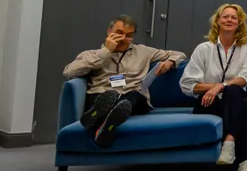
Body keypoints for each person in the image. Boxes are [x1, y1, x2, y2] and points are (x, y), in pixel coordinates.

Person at [64, 15, 186, 148]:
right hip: (101, 94)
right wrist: (106, 52)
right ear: (109, 32)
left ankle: (99, 117)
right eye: (119, 33)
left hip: (134, 99)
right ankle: (105, 125)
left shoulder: (143, 51)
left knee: (133, 96)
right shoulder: (92, 54)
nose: (123, 38)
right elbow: (70, 72)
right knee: (107, 96)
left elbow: (180, 54)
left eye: (128, 35)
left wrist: (170, 62)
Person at [180, 3, 247, 171]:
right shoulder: (204, 49)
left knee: (234, 92)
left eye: (234, 17)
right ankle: (245, 162)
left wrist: (222, 85)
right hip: (210, 102)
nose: (229, 20)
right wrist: (215, 87)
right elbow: (187, 84)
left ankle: (230, 144)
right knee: (242, 105)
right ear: (217, 21)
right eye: (225, 16)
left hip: (235, 98)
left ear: (240, 22)